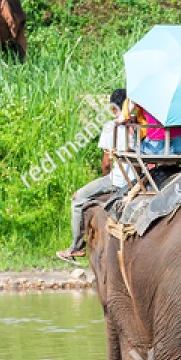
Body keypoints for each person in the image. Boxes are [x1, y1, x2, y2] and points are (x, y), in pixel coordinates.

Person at [57, 89, 134, 263]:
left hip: (120, 180)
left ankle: (76, 247)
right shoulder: (140, 125)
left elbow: (106, 164)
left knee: (77, 199)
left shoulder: (111, 127)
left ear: (114, 109)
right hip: (140, 178)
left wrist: (109, 182)